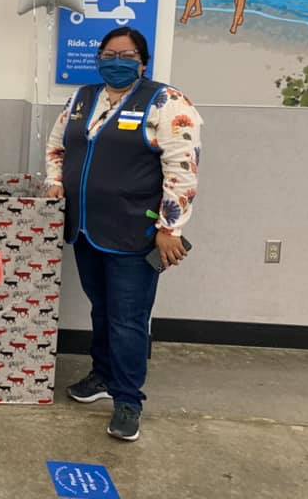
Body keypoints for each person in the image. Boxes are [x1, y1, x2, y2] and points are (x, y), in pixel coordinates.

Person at [45, 27, 202, 442]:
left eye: (126, 55)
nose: (116, 61)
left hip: (135, 232)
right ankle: (103, 375)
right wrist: (55, 182)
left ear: (142, 62)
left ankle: (129, 400)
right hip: (85, 230)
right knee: (101, 308)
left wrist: (170, 228)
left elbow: (182, 169)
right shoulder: (82, 99)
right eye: (108, 54)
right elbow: (58, 146)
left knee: (128, 319)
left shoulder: (167, 103)